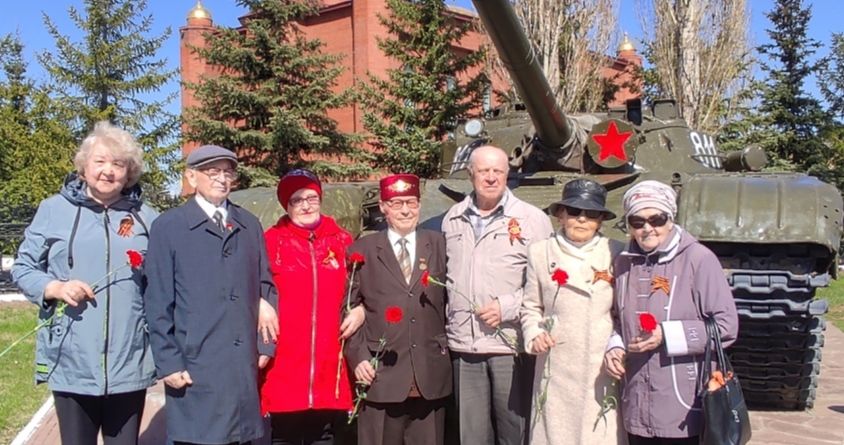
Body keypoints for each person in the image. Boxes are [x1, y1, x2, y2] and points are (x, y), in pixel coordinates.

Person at [12, 121, 157, 445]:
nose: (108, 171)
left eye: (118, 164)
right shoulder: (53, 210)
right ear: (84, 166)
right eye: (100, 162)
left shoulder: (147, 217)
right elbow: (23, 266)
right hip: (72, 358)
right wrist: (53, 288)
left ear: (129, 171)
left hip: (128, 360)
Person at [144, 145, 278, 445]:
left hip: (241, 363)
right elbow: (157, 302)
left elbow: (265, 286)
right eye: (212, 172)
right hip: (196, 363)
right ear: (191, 177)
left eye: (228, 172)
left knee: (240, 437)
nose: (222, 178)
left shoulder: (248, 224)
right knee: (199, 437)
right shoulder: (169, 227)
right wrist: (168, 362)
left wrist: (265, 345)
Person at [603, 180, 739, 445]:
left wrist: (665, 334)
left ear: (671, 218)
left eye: (657, 219)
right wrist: (615, 346)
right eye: (637, 221)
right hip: (636, 393)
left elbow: (726, 326)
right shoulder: (623, 263)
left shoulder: (698, 259)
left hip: (683, 399)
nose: (647, 228)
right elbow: (618, 318)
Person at [442, 145, 553, 445]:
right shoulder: (453, 218)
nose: (491, 177)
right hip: (465, 347)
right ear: (471, 175)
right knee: (471, 436)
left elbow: (545, 282)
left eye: (498, 171)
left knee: (513, 432)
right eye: (483, 171)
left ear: (507, 175)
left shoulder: (532, 219)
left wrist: (507, 307)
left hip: (510, 344)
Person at [259, 168, 365, 444]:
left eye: (311, 197)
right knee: (283, 434)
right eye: (297, 200)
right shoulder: (271, 242)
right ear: (286, 205)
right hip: (286, 359)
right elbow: (251, 284)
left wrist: (361, 309)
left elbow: (361, 287)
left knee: (325, 434)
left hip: (328, 358)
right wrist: (259, 301)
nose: (306, 205)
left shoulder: (341, 241)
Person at [345, 174, 452, 445]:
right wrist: (358, 357)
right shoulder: (362, 250)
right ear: (383, 207)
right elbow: (346, 308)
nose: (406, 210)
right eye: (396, 203)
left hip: (429, 373)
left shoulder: (440, 244)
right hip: (381, 373)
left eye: (412, 202)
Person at [521, 179, 625, 445]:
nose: (582, 219)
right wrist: (534, 334)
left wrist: (619, 345)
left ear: (600, 220)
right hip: (556, 366)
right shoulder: (540, 253)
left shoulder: (616, 253)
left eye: (591, 214)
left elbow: (625, 311)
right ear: (561, 215)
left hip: (601, 365)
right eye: (574, 211)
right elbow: (532, 306)